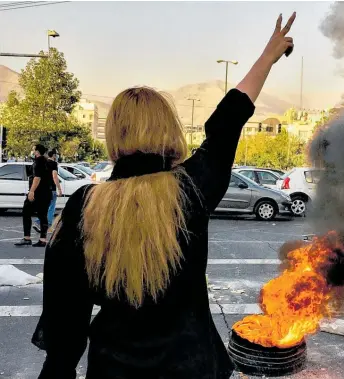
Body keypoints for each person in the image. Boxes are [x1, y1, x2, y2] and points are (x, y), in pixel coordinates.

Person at [31, 12, 296, 379]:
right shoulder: (191, 189)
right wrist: (268, 57)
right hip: (194, 368)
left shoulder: (84, 207)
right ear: (169, 129)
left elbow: (65, 323)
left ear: (114, 135)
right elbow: (227, 122)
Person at [14, 144, 53, 247]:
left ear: (37, 151)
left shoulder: (38, 162)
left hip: (38, 193)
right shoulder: (47, 162)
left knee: (26, 211)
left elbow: (37, 178)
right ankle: (43, 240)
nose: (32, 151)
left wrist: (31, 192)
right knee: (43, 215)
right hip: (47, 193)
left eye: (33, 149)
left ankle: (27, 238)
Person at [32, 150, 63, 233]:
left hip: (43, 189)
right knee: (51, 208)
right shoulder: (54, 164)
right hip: (51, 189)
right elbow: (55, 176)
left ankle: (39, 222)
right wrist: (59, 189)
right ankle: (47, 225)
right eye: (56, 155)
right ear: (53, 155)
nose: (56, 156)